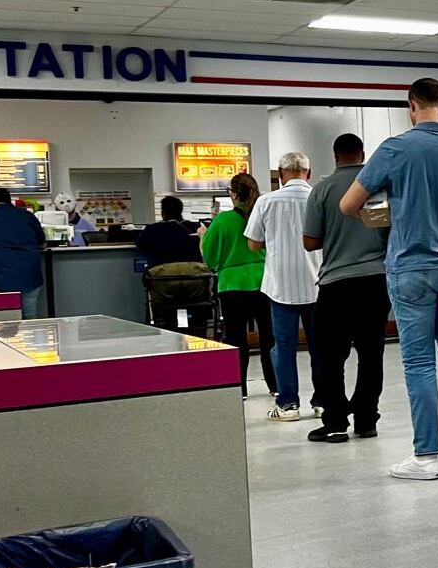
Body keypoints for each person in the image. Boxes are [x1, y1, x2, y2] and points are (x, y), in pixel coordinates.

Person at [341, 78, 438, 480]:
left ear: (411, 106)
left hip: (410, 268)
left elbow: (348, 204)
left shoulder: (394, 149)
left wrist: (387, 212)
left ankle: (426, 457)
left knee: (419, 364)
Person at [303, 133, 390, 444]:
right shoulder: (375, 187)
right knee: (371, 353)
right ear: (362, 154)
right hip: (375, 280)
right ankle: (366, 420)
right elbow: (387, 232)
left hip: (335, 284)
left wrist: (334, 234)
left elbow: (310, 241)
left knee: (329, 356)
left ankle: (336, 422)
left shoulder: (322, 189)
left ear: (335, 155)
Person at [246, 152, 322, 422]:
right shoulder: (319, 198)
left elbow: (253, 244)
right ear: (309, 173)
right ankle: (322, 402)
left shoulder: (266, 201)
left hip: (280, 286)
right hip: (317, 285)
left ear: (280, 175)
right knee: (320, 347)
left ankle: (288, 405)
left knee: (284, 346)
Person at [202, 173, 276, 400]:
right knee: (269, 338)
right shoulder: (263, 216)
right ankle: (275, 385)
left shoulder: (222, 221)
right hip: (264, 283)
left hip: (232, 286)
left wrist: (202, 237)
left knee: (236, 338)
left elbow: (210, 259)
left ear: (233, 194)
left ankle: (240, 388)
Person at [0, 188, 48, 319]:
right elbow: (42, 244)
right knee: (29, 317)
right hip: (29, 276)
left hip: (0, 278)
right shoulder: (27, 216)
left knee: (2, 319)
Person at [135, 195, 203, 268]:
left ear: (163, 212)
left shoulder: (153, 229)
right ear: (181, 210)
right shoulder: (196, 228)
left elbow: (140, 245)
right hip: (194, 271)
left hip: (161, 272)